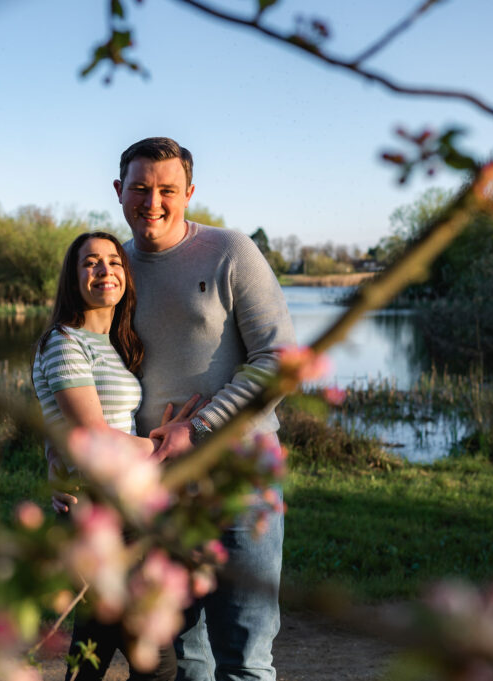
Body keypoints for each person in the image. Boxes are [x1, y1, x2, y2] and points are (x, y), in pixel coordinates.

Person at [53, 138, 296, 681]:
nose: (153, 202)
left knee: (245, 655)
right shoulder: (114, 270)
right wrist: (72, 471)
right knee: (184, 657)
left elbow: (279, 359)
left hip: (239, 480)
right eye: (139, 188)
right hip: (156, 492)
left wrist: (201, 426)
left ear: (189, 191)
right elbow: (85, 376)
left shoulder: (230, 251)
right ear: (119, 192)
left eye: (167, 189)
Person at [31, 231, 184, 681]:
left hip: (118, 505)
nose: (105, 271)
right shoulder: (65, 342)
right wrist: (164, 443)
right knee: (153, 661)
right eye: (91, 263)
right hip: (96, 508)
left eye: (114, 262)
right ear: (73, 277)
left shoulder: (114, 344)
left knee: (95, 647)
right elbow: (94, 435)